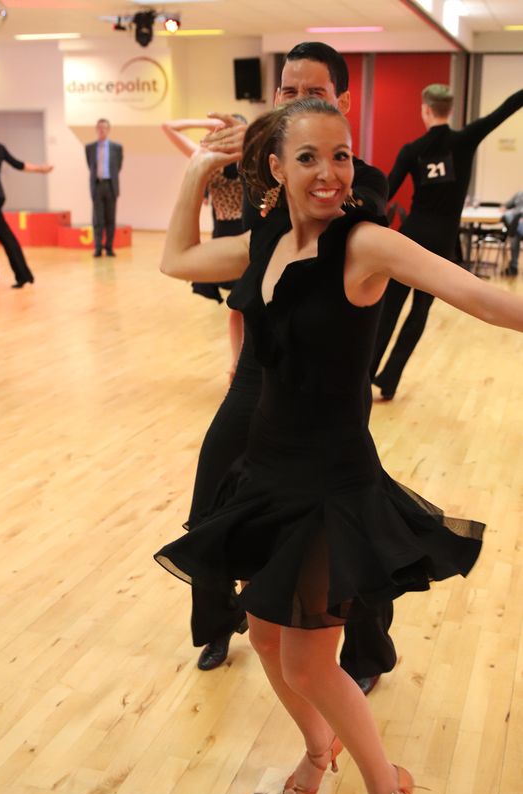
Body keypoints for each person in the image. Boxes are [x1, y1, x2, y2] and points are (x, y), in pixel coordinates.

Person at [154, 97, 523, 794]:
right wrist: (196, 172)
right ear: (276, 167)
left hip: (331, 485)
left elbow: (478, 297)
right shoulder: (265, 243)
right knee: (266, 638)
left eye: (341, 155)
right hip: (267, 472)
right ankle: (317, 753)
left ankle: (385, 787)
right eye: (309, 157)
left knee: (308, 663)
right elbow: (177, 260)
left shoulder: (364, 244)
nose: (329, 173)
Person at [182, 43, 393, 691]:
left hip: (326, 380)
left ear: (343, 102)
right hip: (260, 368)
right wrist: (227, 157)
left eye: (315, 92)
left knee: (342, 525)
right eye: (287, 91)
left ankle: (365, 652)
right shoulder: (263, 168)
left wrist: (276, 151)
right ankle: (218, 621)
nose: (298, 100)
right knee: (212, 495)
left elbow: (345, 220)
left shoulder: (359, 179)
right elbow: (233, 253)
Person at [371, 83, 523, 400]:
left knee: (389, 308)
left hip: (411, 237)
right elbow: (504, 110)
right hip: (441, 241)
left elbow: (384, 191)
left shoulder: (412, 150)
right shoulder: (465, 139)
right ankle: (390, 379)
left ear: (425, 109)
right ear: (450, 109)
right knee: (420, 311)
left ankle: (366, 375)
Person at [162, 117, 246, 379]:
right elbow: (167, 127)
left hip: (246, 233)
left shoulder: (252, 158)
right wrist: (208, 123)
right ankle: (236, 364)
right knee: (237, 304)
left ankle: (242, 364)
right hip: (223, 233)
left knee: (244, 304)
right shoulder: (207, 157)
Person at [0, 140, 53, 288]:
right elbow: (18, 164)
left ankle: (21, 274)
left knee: (7, 238)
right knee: (7, 238)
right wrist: (40, 169)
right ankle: (22, 274)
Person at [85, 119, 123, 258]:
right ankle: (97, 248)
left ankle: (109, 248)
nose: (102, 130)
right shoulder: (89, 147)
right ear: (96, 129)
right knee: (97, 220)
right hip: (97, 186)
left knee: (110, 219)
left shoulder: (117, 147)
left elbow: (118, 166)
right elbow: (90, 166)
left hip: (111, 186)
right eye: (100, 127)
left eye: (105, 127)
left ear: (108, 129)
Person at [502, 190, 523, 276]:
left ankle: (514, 266)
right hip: (517, 223)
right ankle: (513, 267)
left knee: (513, 233)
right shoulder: (519, 194)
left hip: (518, 224)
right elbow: (506, 206)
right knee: (514, 236)